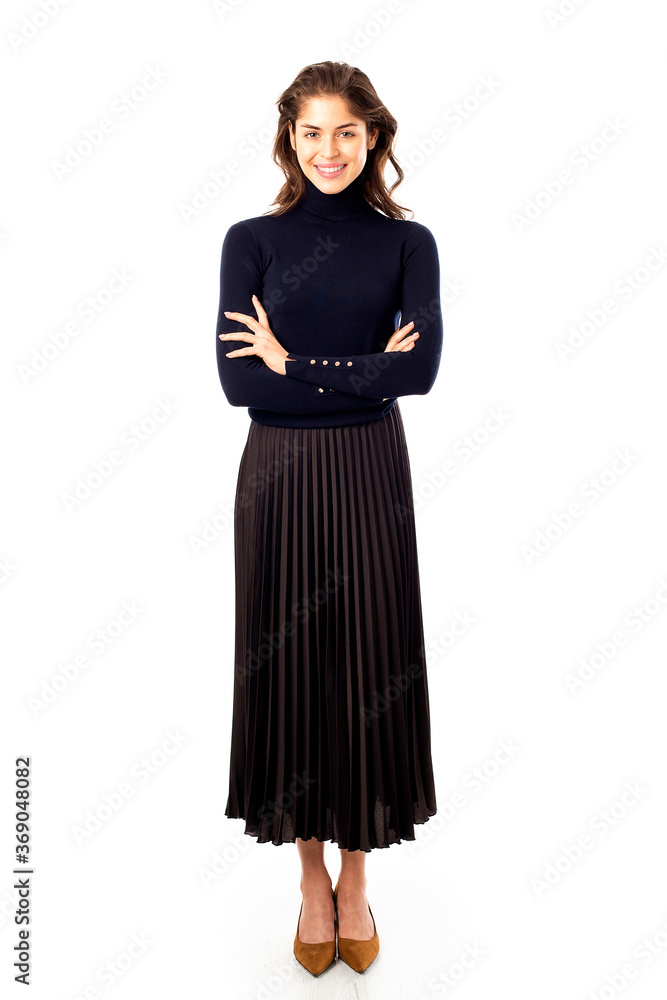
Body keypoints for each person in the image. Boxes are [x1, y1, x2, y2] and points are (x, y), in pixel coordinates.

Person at [215, 60, 443, 977]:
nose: (328, 150)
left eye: (346, 131)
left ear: (373, 137)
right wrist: (353, 372)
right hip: (277, 478)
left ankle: (357, 877)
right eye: (311, 131)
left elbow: (418, 375)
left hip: (370, 473)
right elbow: (239, 385)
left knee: (368, 660)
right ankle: (310, 881)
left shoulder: (407, 244)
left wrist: (293, 362)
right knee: (293, 662)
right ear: (289, 138)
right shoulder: (250, 241)